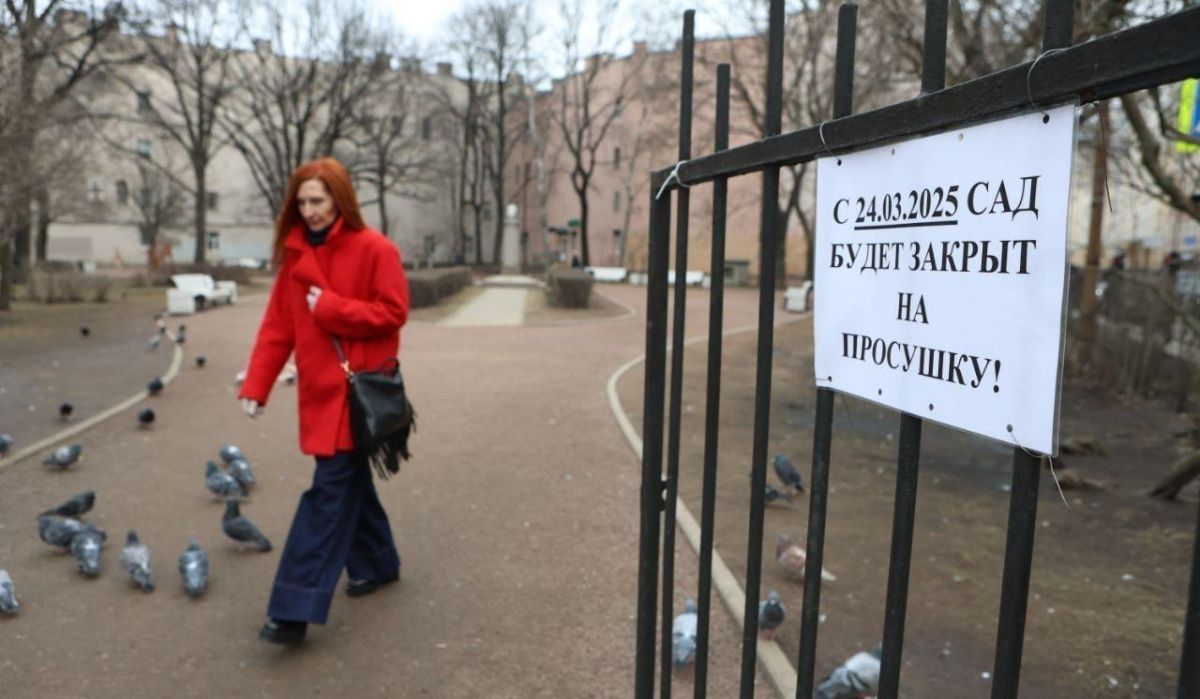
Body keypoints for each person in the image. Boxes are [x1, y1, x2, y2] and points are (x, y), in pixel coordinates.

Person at [237, 157, 410, 645]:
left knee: (327, 498)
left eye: (318, 200)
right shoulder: (295, 259)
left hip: (359, 397)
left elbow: (394, 313)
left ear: (340, 199)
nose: (310, 210)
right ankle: (377, 564)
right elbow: (278, 329)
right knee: (348, 486)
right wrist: (256, 385)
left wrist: (333, 310)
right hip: (322, 396)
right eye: (303, 201)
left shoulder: (375, 249)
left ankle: (293, 606)